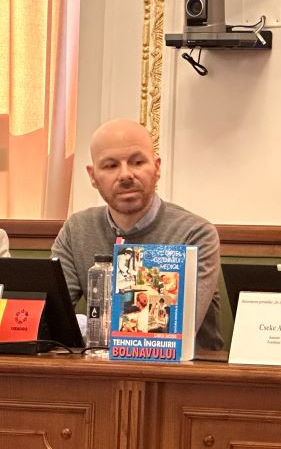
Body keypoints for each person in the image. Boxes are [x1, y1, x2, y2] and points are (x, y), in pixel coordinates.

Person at [51, 119, 223, 349]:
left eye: (137, 162)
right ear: (93, 176)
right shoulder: (76, 230)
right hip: (96, 366)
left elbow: (171, 331)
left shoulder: (195, 234)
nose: (125, 175)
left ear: (157, 167)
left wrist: (86, 324)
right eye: (110, 166)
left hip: (183, 369)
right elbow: (52, 319)